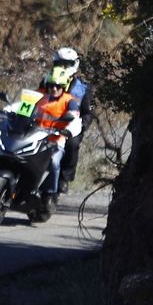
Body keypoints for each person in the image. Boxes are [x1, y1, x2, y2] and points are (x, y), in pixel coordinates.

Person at [48, 46, 92, 186]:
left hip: (71, 126)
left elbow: (87, 112)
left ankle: (64, 179)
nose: (63, 67)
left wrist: (82, 126)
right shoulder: (47, 81)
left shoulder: (83, 88)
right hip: (46, 121)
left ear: (74, 64)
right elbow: (34, 99)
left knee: (72, 144)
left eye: (66, 64)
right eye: (59, 64)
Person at [34, 73, 81, 198]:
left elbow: (76, 120)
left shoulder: (69, 101)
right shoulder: (39, 97)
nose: (54, 89)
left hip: (55, 141)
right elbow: (22, 109)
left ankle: (49, 194)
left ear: (63, 87)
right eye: (51, 86)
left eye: (58, 86)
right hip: (33, 138)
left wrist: (68, 131)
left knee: (54, 162)